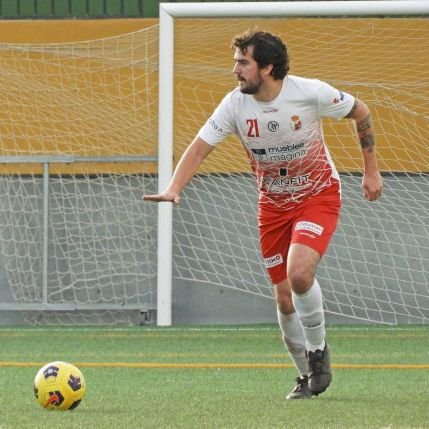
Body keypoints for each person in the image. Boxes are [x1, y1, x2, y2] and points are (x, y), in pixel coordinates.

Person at [143, 30, 383, 399]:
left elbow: (360, 112)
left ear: (267, 67)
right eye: (236, 62)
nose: (235, 70)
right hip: (271, 207)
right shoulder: (234, 105)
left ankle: (318, 353)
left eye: (243, 63)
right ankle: (305, 376)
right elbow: (199, 148)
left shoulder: (310, 92)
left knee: (300, 273)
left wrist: (371, 170)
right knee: (285, 298)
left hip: (317, 195)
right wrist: (175, 188)